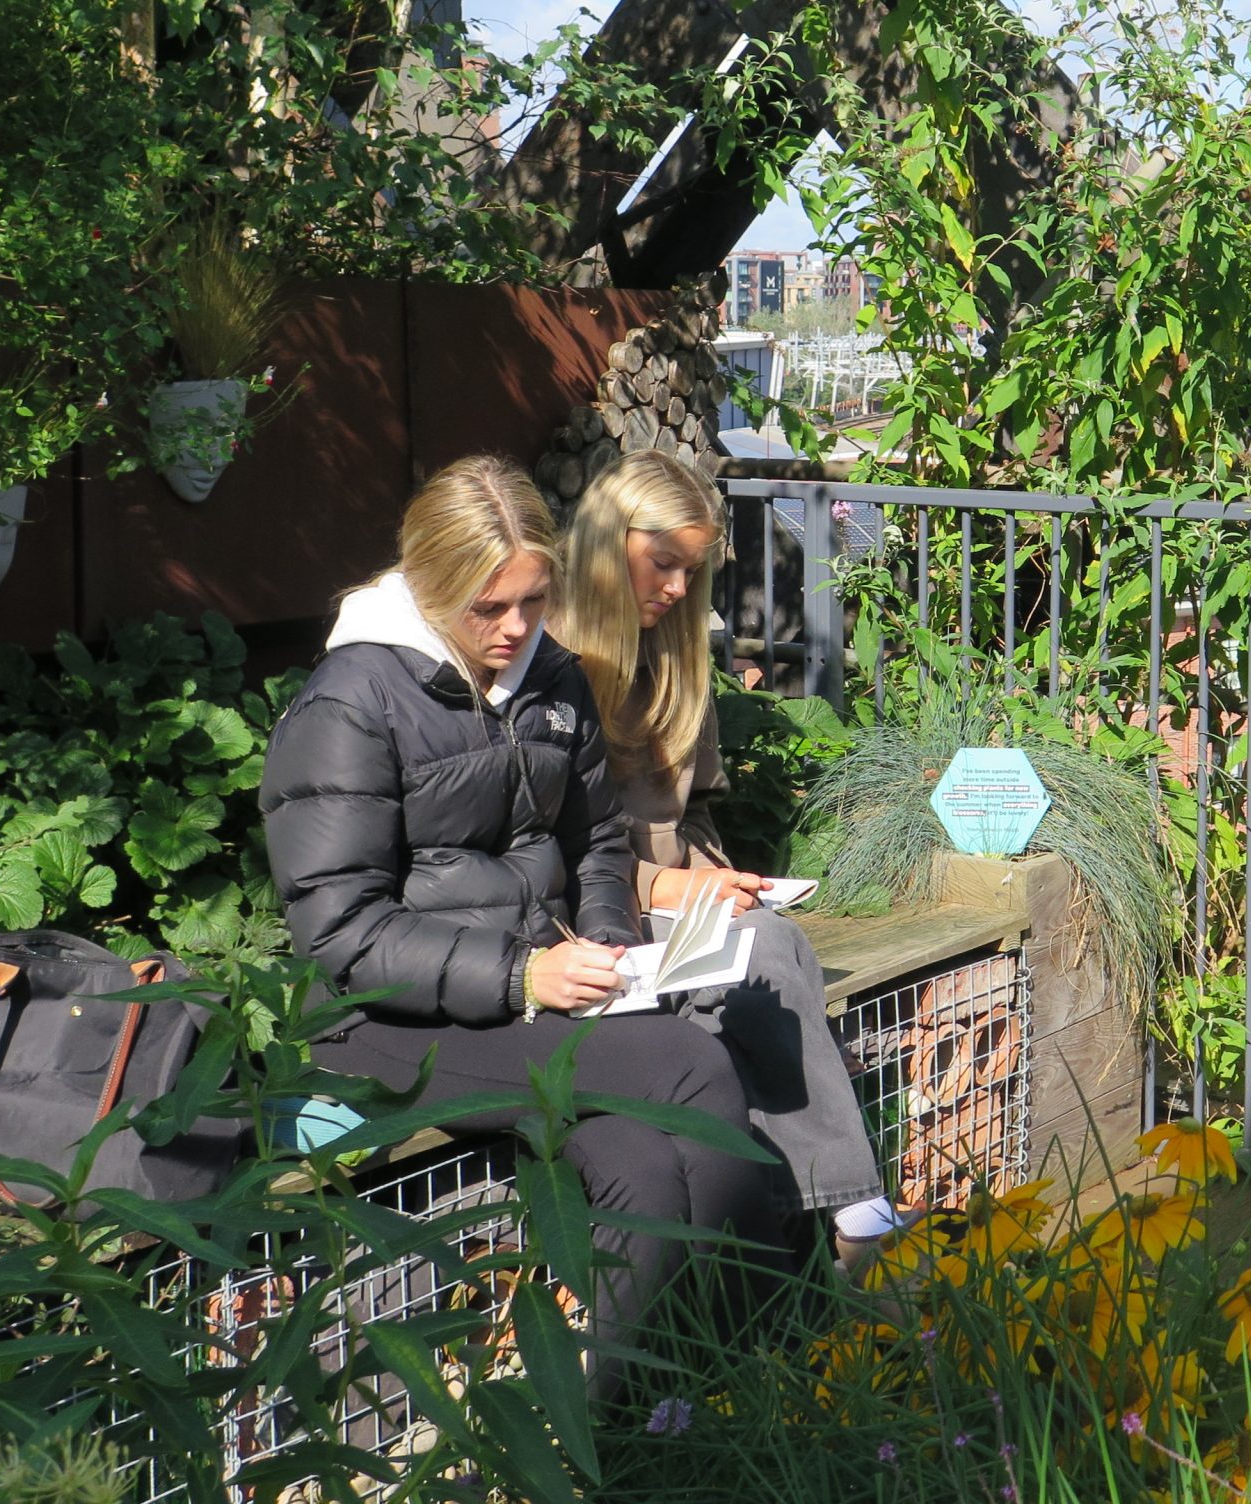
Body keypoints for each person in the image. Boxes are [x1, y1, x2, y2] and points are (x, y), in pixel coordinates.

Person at [260, 454, 781, 1375]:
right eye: (487, 609)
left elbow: (599, 849)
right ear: (428, 585)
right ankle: (757, 1368)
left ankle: (618, 1425)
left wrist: (616, 955)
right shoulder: (352, 702)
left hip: (536, 1001)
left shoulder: (555, 679)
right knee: (693, 1065)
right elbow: (337, 933)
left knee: (643, 1165)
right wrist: (520, 974)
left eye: (533, 602)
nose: (514, 629)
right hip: (384, 1025)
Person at [558, 449, 905, 1266]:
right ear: (609, 543)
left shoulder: (675, 657)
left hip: (676, 906)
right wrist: (667, 881)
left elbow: (695, 814)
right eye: (664, 564)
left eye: (692, 570)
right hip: (590, 919)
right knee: (771, 957)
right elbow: (554, 846)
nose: (678, 589)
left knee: (763, 953)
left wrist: (715, 874)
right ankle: (860, 1221)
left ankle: (831, 1235)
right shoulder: (549, 667)